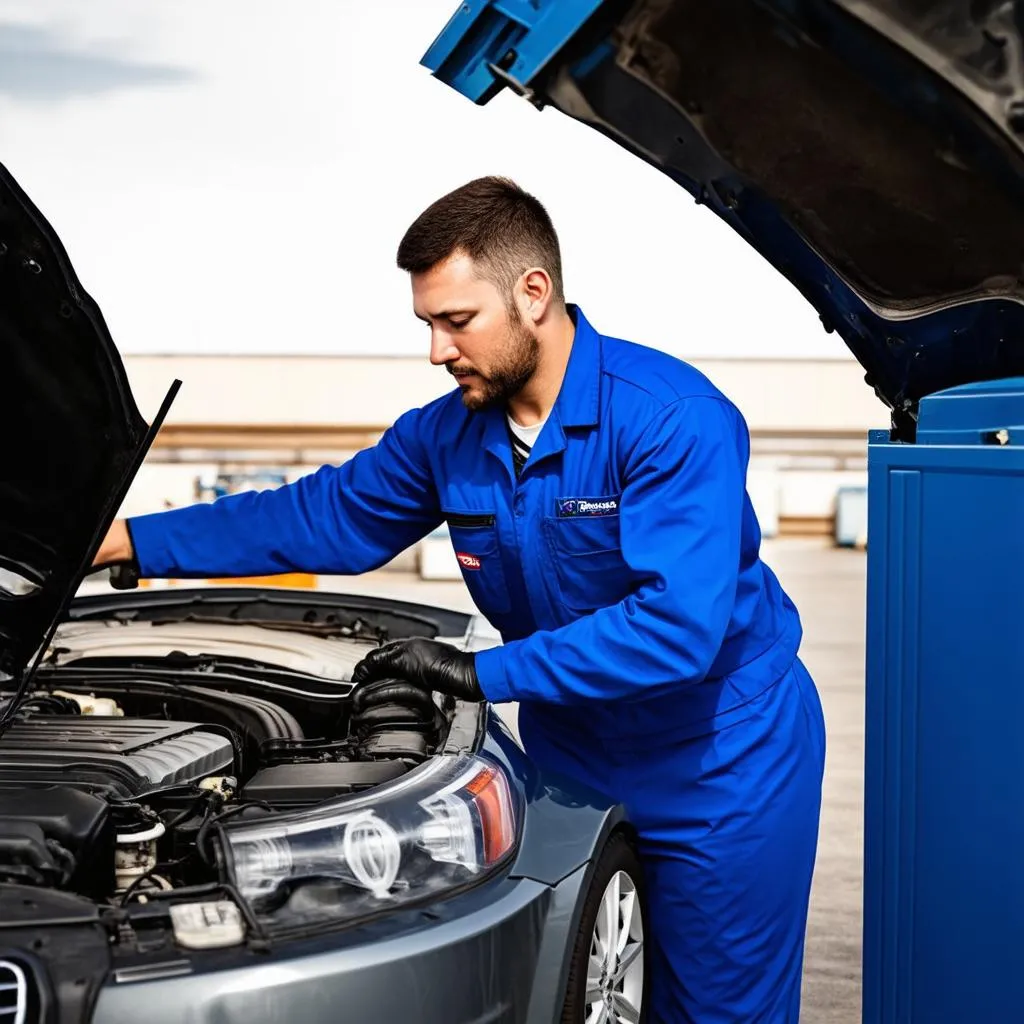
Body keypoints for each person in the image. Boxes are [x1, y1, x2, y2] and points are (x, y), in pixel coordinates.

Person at [95, 176, 826, 1023]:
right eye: (427, 325)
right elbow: (322, 517)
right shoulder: (449, 433)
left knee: (716, 1008)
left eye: (456, 321)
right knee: (577, 991)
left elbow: (678, 631)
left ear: (533, 294)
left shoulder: (669, 418)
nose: (437, 351)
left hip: (719, 755)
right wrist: (130, 542)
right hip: (573, 751)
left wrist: (483, 672)